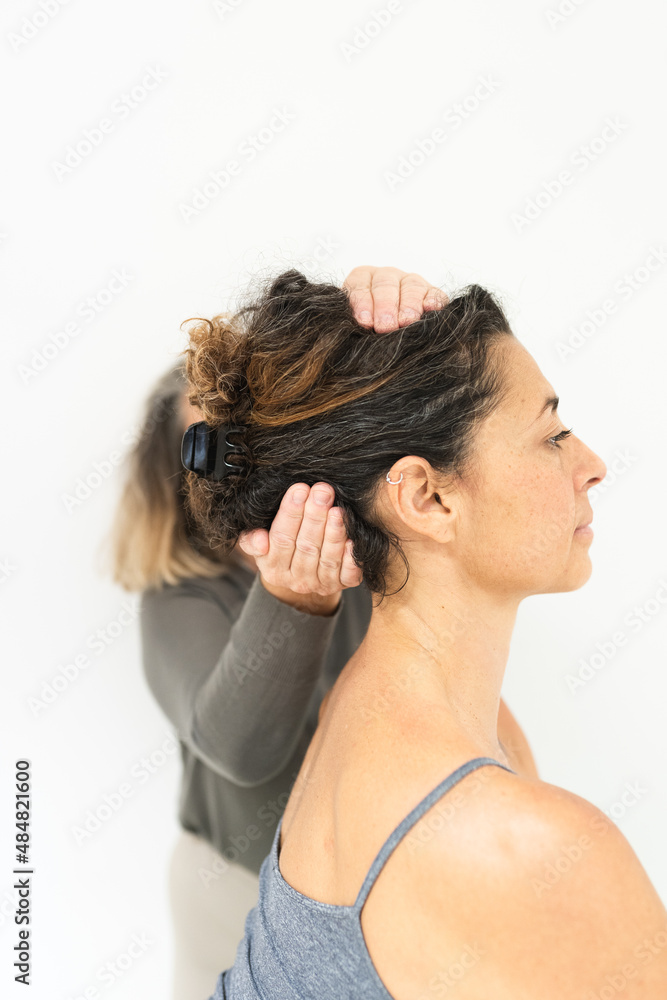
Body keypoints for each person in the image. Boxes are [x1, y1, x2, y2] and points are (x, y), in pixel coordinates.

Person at [177, 268, 667, 999]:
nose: (591, 466)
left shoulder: (375, 711)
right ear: (428, 498)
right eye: (552, 436)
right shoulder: (522, 847)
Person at [108, 268, 541, 999]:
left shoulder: (363, 539)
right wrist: (290, 600)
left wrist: (390, 317)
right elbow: (237, 749)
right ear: (178, 477)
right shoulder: (179, 600)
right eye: (219, 450)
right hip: (234, 887)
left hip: (369, 881)